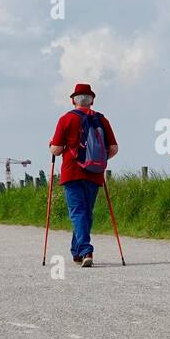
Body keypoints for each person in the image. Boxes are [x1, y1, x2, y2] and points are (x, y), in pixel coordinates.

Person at [49, 83, 118, 267]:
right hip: (94, 173)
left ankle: (86, 250)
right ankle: (77, 251)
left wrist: (51, 145)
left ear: (73, 100)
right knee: (85, 212)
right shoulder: (101, 120)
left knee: (78, 212)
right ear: (92, 100)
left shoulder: (66, 119)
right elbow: (113, 148)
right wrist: (100, 159)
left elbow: (56, 150)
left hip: (72, 172)